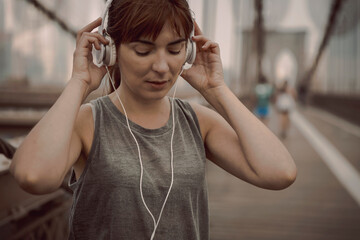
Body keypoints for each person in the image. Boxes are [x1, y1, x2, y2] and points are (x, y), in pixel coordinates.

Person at [10, 0, 297, 239]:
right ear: (110, 51)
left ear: (189, 51)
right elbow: (32, 175)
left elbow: (280, 172)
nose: (161, 67)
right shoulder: (90, 122)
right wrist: (79, 82)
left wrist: (216, 89)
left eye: (174, 50)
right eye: (143, 51)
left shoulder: (197, 122)